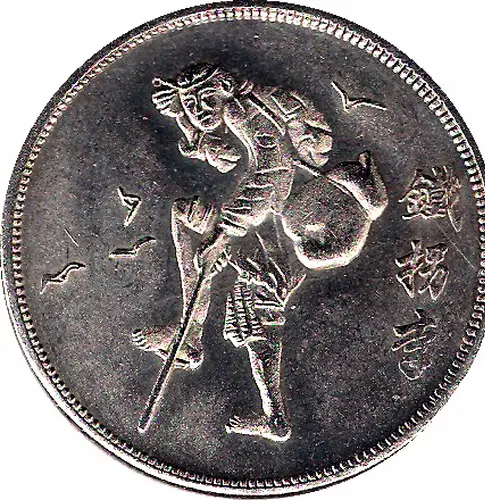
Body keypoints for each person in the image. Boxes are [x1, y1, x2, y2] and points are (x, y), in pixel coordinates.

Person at [132, 64, 388, 441]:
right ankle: (190, 334)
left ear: (223, 86)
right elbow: (241, 161)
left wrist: (225, 233)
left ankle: (275, 418)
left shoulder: (246, 111)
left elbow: (273, 173)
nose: (200, 111)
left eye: (205, 99)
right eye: (191, 105)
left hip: (288, 223)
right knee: (189, 222)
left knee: (254, 306)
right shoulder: (246, 105)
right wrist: (197, 137)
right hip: (281, 217)